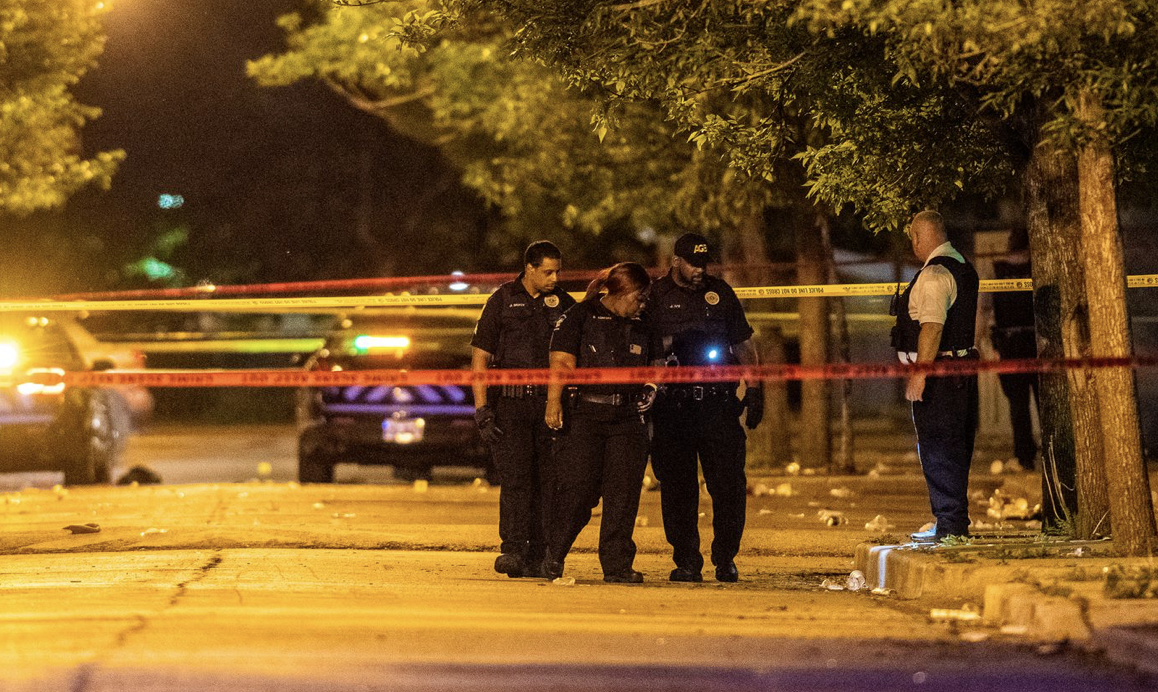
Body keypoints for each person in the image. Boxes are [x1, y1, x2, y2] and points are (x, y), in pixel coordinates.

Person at [646, 233, 763, 583]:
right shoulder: (655, 296)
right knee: (678, 488)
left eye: (703, 263)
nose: (700, 270)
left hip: (717, 406)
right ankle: (687, 561)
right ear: (676, 261)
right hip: (673, 409)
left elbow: (743, 343)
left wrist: (756, 388)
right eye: (693, 263)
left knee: (728, 486)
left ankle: (725, 558)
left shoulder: (720, 293)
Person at [543, 262, 655, 584]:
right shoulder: (580, 316)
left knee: (623, 495)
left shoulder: (644, 324)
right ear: (620, 292)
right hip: (585, 417)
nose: (642, 304)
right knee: (578, 493)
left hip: (627, 418)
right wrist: (553, 402)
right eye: (638, 297)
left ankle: (617, 565)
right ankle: (555, 553)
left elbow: (656, 363)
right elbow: (561, 363)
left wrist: (652, 387)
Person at [471, 240, 576, 578]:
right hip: (511, 405)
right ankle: (514, 550)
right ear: (529, 268)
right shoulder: (502, 301)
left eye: (558, 271)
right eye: (548, 271)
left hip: (549, 403)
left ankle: (544, 553)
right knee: (516, 480)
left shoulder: (563, 304)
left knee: (550, 481)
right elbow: (480, 358)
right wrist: (482, 409)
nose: (554, 278)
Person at [891, 211, 980, 542]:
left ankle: (949, 525)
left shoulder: (933, 275)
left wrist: (920, 373)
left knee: (938, 448)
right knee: (955, 448)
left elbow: (932, 327)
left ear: (917, 237)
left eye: (911, 237)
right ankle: (952, 523)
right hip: (961, 373)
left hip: (940, 376)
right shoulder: (964, 269)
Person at [991, 229, 1038, 470]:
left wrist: (986, 344)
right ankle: (1050, 454)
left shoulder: (997, 271)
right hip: (1037, 343)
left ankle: (1025, 457)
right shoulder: (1038, 268)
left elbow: (984, 310)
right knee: (1045, 403)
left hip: (1010, 344)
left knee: (1018, 406)